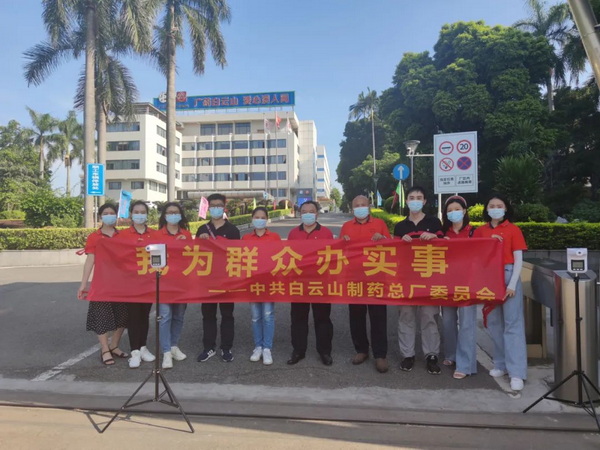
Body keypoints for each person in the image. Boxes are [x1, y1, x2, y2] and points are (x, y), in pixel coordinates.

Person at [473, 194, 527, 391]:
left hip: (508, 274)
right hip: (489, 278)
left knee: (512, 325)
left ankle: (516, 372)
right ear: (487, 209)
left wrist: (512, 285)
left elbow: (518, 259)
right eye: (492, 205)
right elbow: (474, 253)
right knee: (494, 323)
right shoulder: (481, 231)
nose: (495, 208)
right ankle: (500, 364)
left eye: (499, 205)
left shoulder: (513, 229)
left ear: (505, 209)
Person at [393, 186, 443, 375]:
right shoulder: (400, 226)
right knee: (406, 316)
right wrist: (400, 242)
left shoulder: (434, 222)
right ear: (406, 201)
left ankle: (431, 355)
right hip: (406, 278)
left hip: (429, 277)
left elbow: (446, 246)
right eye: (412, 197)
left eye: (419, 197)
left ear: (424, 201)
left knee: (429, 316)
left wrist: (434, 237)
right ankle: (408, 355)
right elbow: (393, 252)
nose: (415, 200)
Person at [340, 195, 391, 373]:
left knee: (378, 317)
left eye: (363, 204)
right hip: (354, 277)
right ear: (352, 208)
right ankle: (361, 350)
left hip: (376, 277)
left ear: (369, 206)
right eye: (357, 205)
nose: (360, 207)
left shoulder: (380, 224)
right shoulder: (347, 226)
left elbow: (392, 247)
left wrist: (382, 238)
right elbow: (339, 251)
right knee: (356, 316)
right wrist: (343, 242)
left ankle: (380, 355)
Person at [77, 203, 128, 366]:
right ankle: (105, 349)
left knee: (123, 317)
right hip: (101, 284)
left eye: (112, 213)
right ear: (100, 217)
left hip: (121, 284)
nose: (109, 216)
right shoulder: (94, 237)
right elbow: (90, 260)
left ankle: (114, 346)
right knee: (101, 316)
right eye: (106, 213)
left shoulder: (123, 236)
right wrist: (83, 284)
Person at [287, 200, 335, 366]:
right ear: (300, 214)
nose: (307, 214)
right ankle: (298, 351)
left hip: (320, 283)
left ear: (317, 214)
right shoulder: (293, 233)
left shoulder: (326, 233)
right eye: (304, 211)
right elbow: (287, 256)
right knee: (298, 318)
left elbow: (333, 257)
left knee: (322, 318)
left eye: (311, 211)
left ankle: (324, 351)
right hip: (299, 283)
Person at [196, 193, 240, 362]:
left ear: (224, 207)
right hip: (207, 280)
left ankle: (226, 348)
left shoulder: (233, 230)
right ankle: (208, 347)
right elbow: (194, 255)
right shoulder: (202, 229)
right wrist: (201, 241)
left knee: (227, 315)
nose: (216, 208)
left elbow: (238, 255)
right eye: (212, 206)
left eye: (218, 205)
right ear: (208, 208)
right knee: (208, 315)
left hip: (227, 279)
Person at [440, 196, 478, 380]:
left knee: (466, 324)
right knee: (447, 321)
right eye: (449, 210)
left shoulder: (474, 232)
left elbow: (485, 251)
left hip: (468, 284)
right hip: (447, 283)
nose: (453, 213)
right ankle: (451, 354)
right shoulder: (442, 232)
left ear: (464, 211)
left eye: (457, 209)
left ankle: (465, 364)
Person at [117, 200, 157, 368]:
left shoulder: (155, 234)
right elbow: (117, 257)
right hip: (130, 283)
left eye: (143, 212)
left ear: (147, 215)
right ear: (131, 214)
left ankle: (142, 347)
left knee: (144, 315)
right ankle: (134, 352)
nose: (140, 215)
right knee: (133, 317)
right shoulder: (123, 235)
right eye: (136, 212)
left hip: (149, 282)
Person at [242, 206, 281, 365]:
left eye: (262, 217)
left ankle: (267, 348)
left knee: (267, 315)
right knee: (255, 316)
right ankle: (257, 346)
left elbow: (281, 258)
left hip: (269, 282)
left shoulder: (275, 237)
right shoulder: (246, 238)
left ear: (267, 219)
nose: (259, 220)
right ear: (252, 219)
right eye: (256, 217)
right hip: (252, 283)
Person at [157, 202, 192, 369]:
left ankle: (173, 346)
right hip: (163, 283)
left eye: (175, 212)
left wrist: (185, 244)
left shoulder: (187, 234)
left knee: (179, 316)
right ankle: (165, 352)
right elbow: (152, 260)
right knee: (165, 316)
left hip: (181, 283)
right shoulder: (157, 235)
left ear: (180, 215)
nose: (173, 215)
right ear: (164, 215)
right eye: (169, 212)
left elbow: (193, 258)